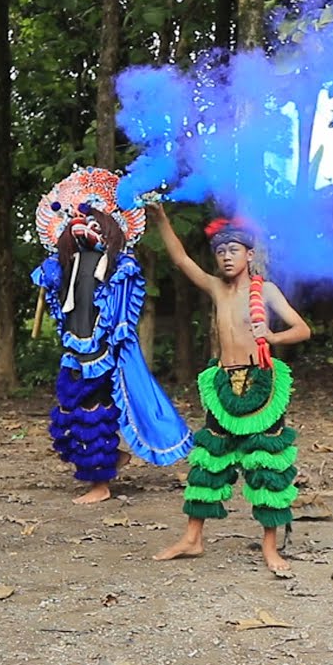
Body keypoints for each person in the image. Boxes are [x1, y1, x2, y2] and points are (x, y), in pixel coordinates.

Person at [147, 206, 311, 571]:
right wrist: (161, 219)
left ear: (249, 255)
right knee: (210, 461)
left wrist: (273, 335)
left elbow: (303, 329)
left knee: (265, 465)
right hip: (224, 386)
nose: (225, 257)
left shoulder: (265, 290)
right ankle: (192, 539)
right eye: (220, 252)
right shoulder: (216, 288)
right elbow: (181, 259)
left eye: (233, 250)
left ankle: (270, 547)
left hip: (261, 386)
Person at [32, 168, 193, 504]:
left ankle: (100, 484)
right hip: (76, 351)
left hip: (102, 353)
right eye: (76, 221)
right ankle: (112, 458)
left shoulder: (118, 267)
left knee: (93, 411)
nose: (82, 226)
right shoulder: (67, 265)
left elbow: (120, 308)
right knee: (69, 409)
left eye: (92, 223)